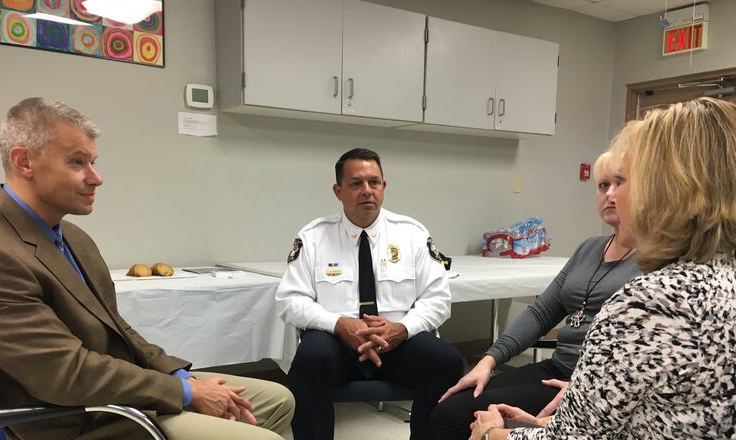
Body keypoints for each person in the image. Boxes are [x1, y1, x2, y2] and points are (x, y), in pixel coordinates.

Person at [0, 98, 294, 440]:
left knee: (278, 400)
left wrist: (178, 376)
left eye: (93, 162)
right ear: (24, 161)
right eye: (77, 162)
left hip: (115, 397)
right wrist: (186, 394)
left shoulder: (73, 237)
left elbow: (118, 329)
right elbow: (67, 373)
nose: (96, 178)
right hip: (78, 419)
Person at [470, 97, 735, 439]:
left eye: (626, 181)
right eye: (603, 185)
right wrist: (535, 418)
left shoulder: (649, 303)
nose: (613, 196)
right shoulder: (718, 278)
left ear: (667, 191)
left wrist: (493, 435)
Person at [430, 151, 641, 440]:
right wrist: (488, 361)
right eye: (603, 186)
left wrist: (589, 391)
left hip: (595, 384)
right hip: (558, 367)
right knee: (449, 403)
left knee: (454, 417)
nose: (610, 195)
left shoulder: (655, 263)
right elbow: (541, 313)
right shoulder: (589, 248)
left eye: (620, 183)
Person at [275, 148, 463, 440]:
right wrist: (339, 324)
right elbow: (290, 301)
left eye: (374, 182)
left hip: (398, 341)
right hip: (337, 343)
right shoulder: (313, 237)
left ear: (383, 186)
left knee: (447, 361)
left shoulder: (412, 234)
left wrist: (402, 328)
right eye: (355, 183)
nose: (367, 191)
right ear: (338, 191)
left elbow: (438, 299)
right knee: (308, 361)